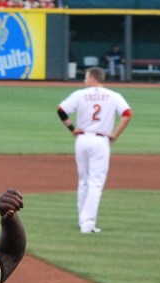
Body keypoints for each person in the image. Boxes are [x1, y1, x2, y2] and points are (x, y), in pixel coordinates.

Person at [57, 67, 133, 234]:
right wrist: (115, 134)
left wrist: (72, 129)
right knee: (96, 183)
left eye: (86, 77)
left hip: (82, 140)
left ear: (92, 78)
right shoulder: (113, 95)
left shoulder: (80, 94)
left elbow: (61, 110)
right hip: (100, 141)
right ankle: (88, 224)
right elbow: (127, 113)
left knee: (83, 182)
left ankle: (82, 220)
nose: (85, 80)